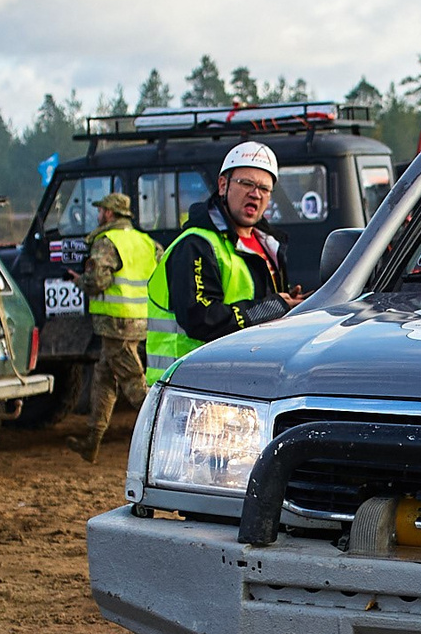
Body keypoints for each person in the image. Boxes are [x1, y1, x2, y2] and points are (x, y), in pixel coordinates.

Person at [145, 141, 289, 386]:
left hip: (245, 381)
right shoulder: (195, 245)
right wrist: (275, 306)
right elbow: (201, 319)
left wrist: (288, 302)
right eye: (246, 183)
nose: (255, 193)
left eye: (264, 188)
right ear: (223, 185)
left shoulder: (268, 244)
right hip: (189, 385)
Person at [76, 191, 155, 463]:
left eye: (100, 211)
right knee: (104, 376)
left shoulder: (107, 241)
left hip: (115, 323)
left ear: (109, 213)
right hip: (139, 320)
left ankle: (166, 431)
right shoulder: (145, 241)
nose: (98, 216)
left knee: (133, 382)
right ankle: (92, 440)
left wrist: (80, 281)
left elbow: (97, 281)